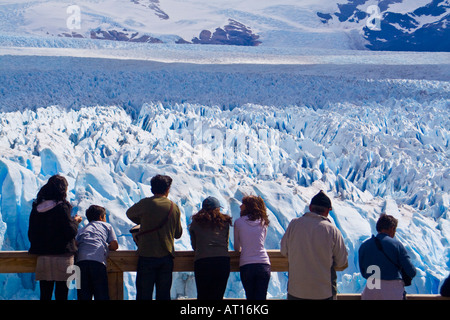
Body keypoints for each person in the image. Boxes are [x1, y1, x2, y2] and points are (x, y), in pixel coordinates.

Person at [280, 190, 348, 300]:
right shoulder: (332, 230)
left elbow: (284, 250)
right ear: (327, 211)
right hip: (323, 293)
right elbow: (341, 261)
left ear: (310, 208)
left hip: (296, 290)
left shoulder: (294, 224)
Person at [126, 174, 182, 300]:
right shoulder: (174, 207)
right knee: (163, 295)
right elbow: (178, 234)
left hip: (146, 256)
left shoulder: (146, 203)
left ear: (152, 189)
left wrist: (143, 220)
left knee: (143, 294)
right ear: (167, 189)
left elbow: (129, 213)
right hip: (166, 257)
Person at [28, 174, 82, 300]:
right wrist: (76, 221)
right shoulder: (62, 207)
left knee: (45, 295)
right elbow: (70, 231)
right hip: (63, 256)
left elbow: (31, 233)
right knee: (62, 295)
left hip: (43, 257)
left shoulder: (36, 208)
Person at [358, 214, 416, 300]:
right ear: (392, 228)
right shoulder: (397, 245)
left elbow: (363, 272)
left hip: (371, 289)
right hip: (393, 290)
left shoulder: (364, 246)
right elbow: (411, 272)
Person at [189, 196, 232, 300]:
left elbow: (195, 245)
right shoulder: (225, 222)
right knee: (218, 295)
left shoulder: (195, 222)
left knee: (203, 296)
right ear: (218, 208)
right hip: (222, 261)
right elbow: (225, 242)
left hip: (203, 261)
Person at [75, 205, 118, 300]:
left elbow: (75, 244)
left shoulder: (82, 230)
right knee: (101, 295)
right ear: (101, 217)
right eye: (105, 217)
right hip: (97, 263)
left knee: (83, 296)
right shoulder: (107, 226)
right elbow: (114, 245)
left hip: (81, 263)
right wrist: (107, 247)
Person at [234, 195, 271, 300]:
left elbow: (237, 247)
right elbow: (261, 241)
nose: (240, 206)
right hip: (263, 264)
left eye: (243, 204)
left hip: (247, 265)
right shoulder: (263, 222)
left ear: (247, 206)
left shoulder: (238, 222)